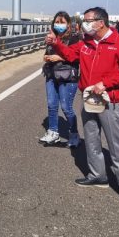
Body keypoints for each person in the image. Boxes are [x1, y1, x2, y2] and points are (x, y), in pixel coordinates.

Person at [47, 6, 119, 206]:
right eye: (84, 20)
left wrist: (105, 83)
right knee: (91, 140)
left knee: (117, 146)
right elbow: (70, 55)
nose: (85, 24)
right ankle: (97, 175)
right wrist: (56, 43)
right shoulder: (86, 44)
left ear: (101, 22)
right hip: (89, 99)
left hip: (110, 102)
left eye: (89, 20)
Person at [40, 11, 81, 147]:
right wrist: (47, 57)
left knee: (66, 107)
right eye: (57, 22)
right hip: (52, 75)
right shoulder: (52, 37)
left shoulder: (76, 38)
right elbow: (47, 53)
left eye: (62, 22)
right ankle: (53, 132)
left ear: (68, 24)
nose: (59, 25)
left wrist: (59, 58)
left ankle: (74, 134)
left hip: (67, 77)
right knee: (52, 105)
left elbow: (77, 56)